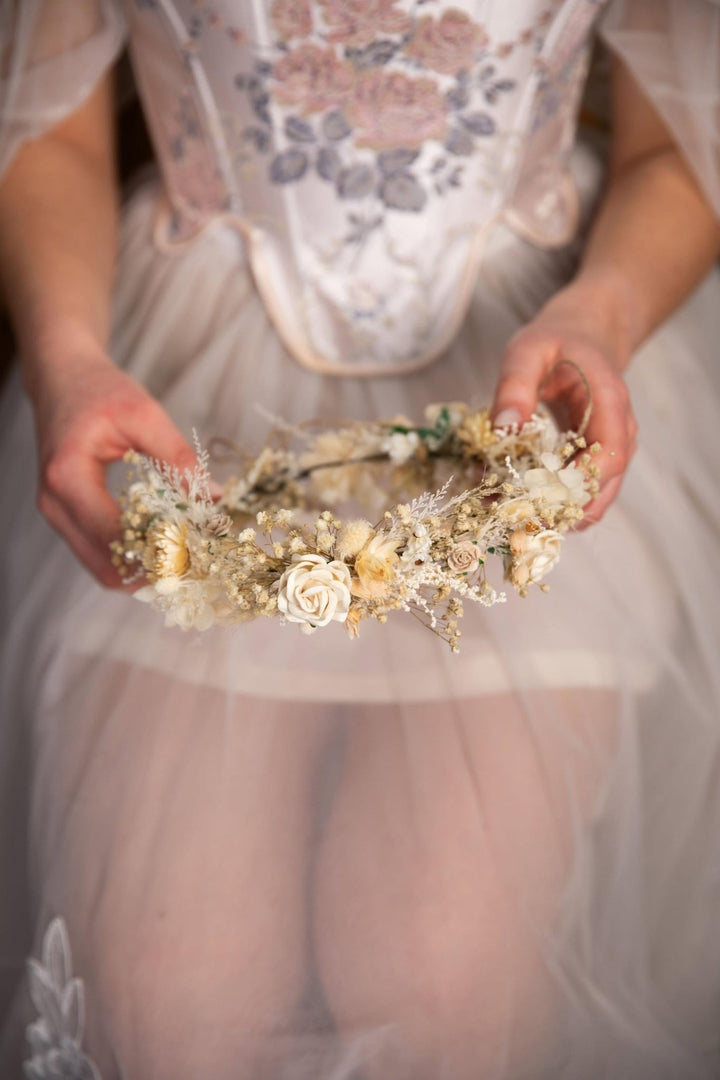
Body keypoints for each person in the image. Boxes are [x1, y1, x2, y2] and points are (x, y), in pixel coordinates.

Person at [1, 1, 719, 1077]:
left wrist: (602, 316)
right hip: (178, 391)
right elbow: (44, 119)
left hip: (530, 378)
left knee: (444, 974)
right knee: (169, 995)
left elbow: (683, 134)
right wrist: (64, 354)